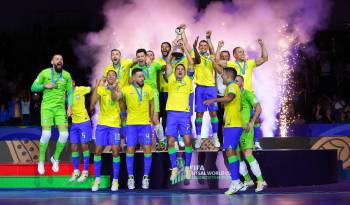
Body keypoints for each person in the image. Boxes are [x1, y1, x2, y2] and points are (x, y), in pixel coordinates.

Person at [203, 68, 244, 195]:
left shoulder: (232, 86)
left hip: (233, 124)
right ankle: (238, 182)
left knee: (230, 152)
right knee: (231, 152)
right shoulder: (231, 87)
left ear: (227, 75)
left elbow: (230, 98)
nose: (222, 78)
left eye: (222, 76)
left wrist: (214, 100)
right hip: (232, 124)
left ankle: (236, 182)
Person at [31, 54, 73, 175]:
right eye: (57, 59)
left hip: (60, 109)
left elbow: (70, 93)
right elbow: (33, 87)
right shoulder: (44, 73)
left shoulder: (67, 75)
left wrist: (69, 107)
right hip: (47, 108)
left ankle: (55, 158)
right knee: (46, 134)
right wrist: (45, 85)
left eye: (61, 59)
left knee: (65, 135)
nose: (59, 61)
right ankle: (41, 161)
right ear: (52, 62)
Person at [164, 40, 194, 181]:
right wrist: (173, 46)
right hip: (171, 114)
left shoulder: (189, 79)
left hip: (184, 114)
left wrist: (185, 50)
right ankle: (174, 168)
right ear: (174, 71)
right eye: (178, 69)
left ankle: (187, 167)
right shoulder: (170, 78)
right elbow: (168, 62)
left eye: (182, 69)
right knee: (170, 142)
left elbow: (191, 63)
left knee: (188, 141)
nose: (180, 70)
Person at [90, 70, 123, 191]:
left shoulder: (120, 90)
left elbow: (114, 98)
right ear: (106, 77)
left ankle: (115, 181)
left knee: (115, 151)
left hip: (114, 125)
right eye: (108, 75)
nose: (110, 77)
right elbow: (92, 104)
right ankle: (97, 179)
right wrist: (97, 86)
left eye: (113, 75)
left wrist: (113, 88)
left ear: (116, 78)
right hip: (102, 124)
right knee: (98, 150)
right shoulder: (101, 89)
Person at [123, 68, 154, 190]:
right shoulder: (126, 89)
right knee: (130, 149)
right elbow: (118, 99)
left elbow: (152, 104)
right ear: (134, 78)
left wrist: (151, 118)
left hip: (145, 125)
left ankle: (145, 178)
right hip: (131, 124)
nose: (142, 78)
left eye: (143, 76)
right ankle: (131, 178)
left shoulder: (148, 89)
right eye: (139, 76)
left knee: (147, 149)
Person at [235, 75, 267, 192]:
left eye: (237, 81)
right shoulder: (231, 95)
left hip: (246, 130)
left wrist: (252, 121)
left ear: (242, 83)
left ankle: (260, 180)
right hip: (234, 130)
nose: (235, 82)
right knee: (238, 157)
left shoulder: (248, 94)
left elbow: (258, 108)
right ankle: (248, 180)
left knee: (248, 155)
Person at [191, 31, 220, 149]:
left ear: (207, 47)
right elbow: (197, 59)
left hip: (211, 88)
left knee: (213, 113)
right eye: (201, 46)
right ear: (198, 47)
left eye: (205, 46)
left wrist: (208, 39)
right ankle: (198, 138)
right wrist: (193, 47)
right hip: (200, 89)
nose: (203, 47)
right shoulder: (196, 56)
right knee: (199, 114)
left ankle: (215, 137)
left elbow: (213, 51)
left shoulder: (211, 57)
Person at [132, 49, 166, 148]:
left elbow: (164, 67)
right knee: (142, 119)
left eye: (142, 56)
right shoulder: (135, 68)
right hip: (141, 95)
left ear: (146, 56)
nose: (140, 58)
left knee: (155, 119)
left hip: (153, 94)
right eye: (138, 56)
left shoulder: (154, 65)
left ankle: (162, 142)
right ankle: (141, 142)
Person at [68, 80, 92, 183]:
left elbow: (91, 89)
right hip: (74, 124)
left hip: (84, 122)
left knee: (84, 145)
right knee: (73, 146)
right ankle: (76, 171)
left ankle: (85, 172)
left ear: (73, 83)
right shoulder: (67, 94)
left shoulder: (80, 89)